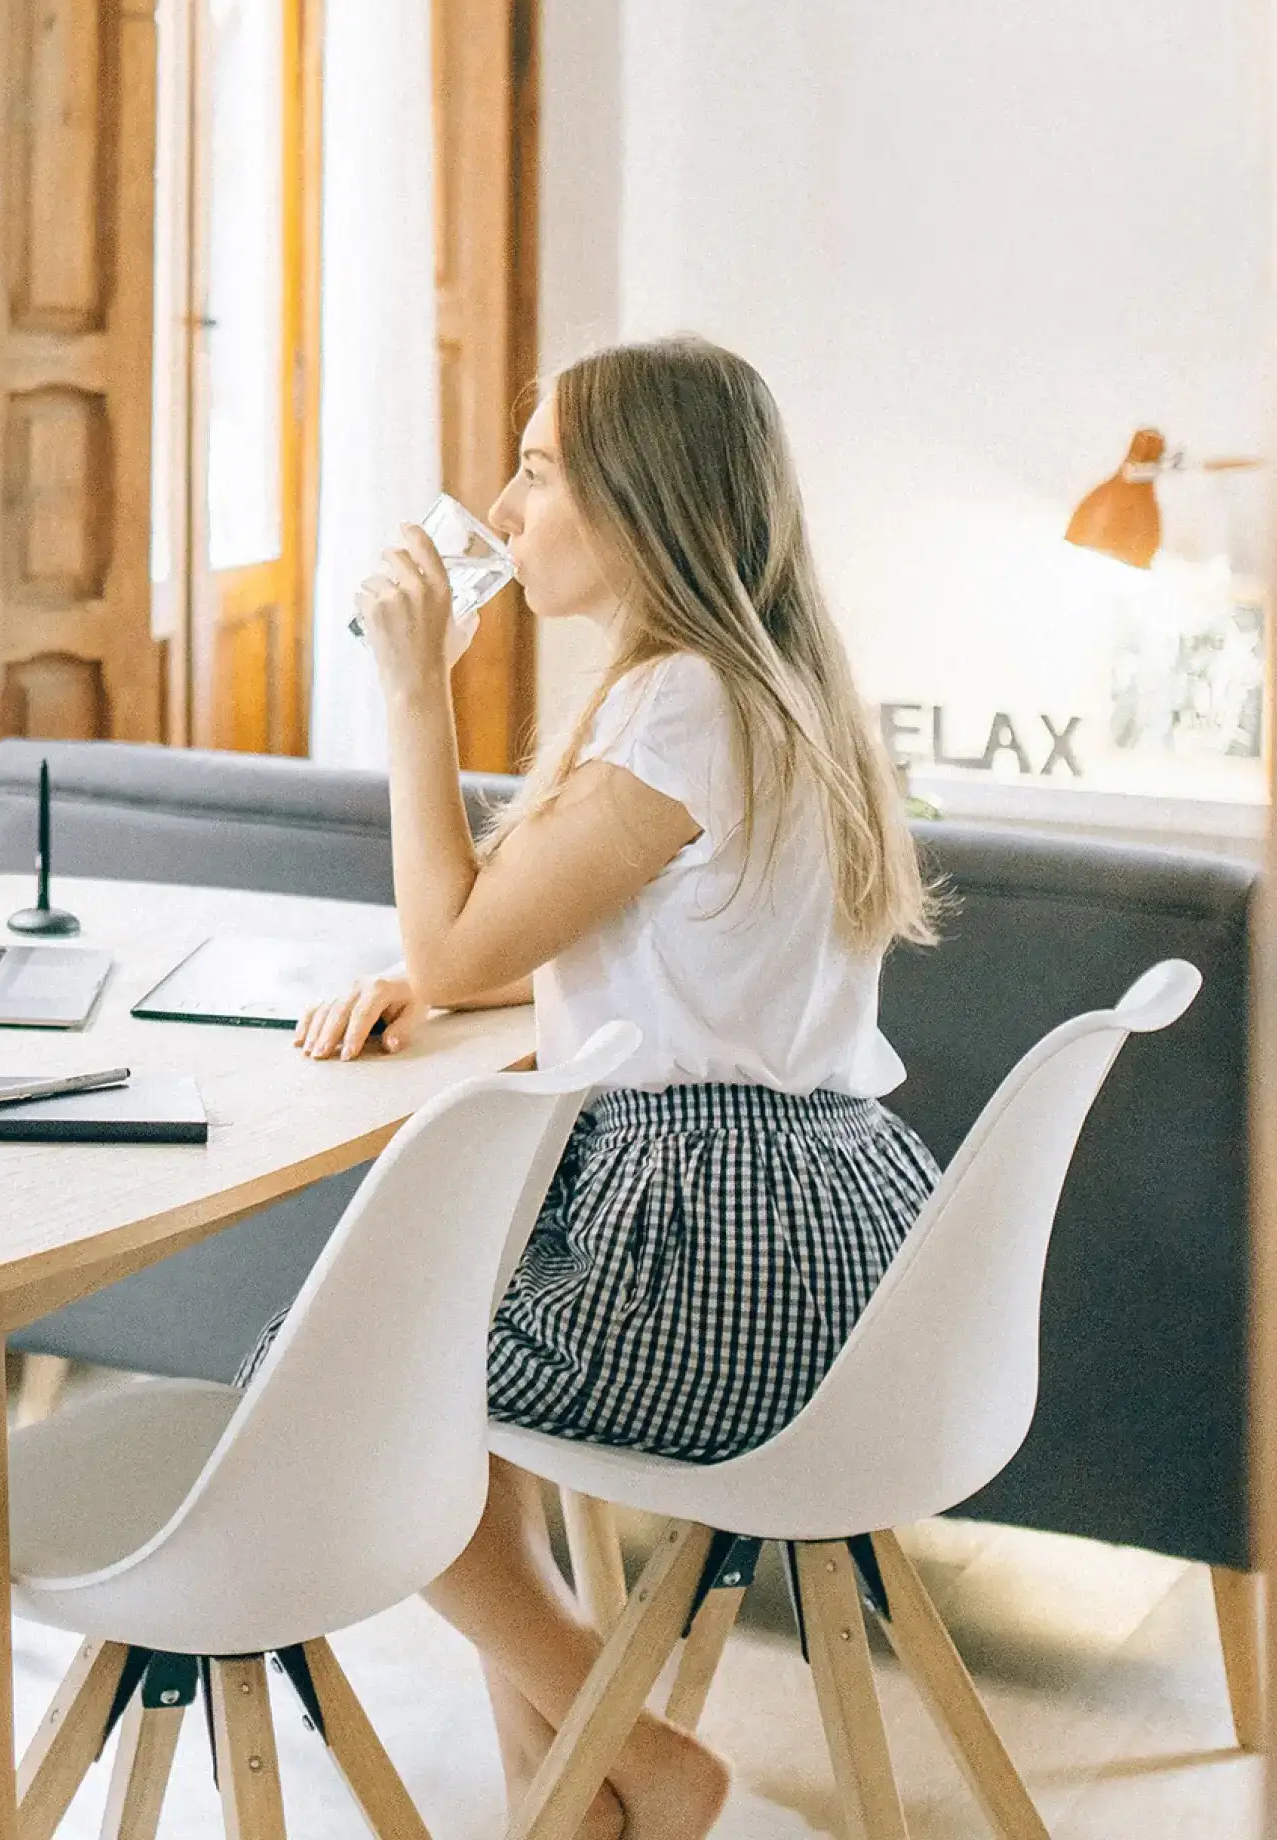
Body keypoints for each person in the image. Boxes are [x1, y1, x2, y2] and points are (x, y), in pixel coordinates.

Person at [294, 335, 941, 1840]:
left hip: (717, 1246)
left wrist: (412, 697)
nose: (504, 510)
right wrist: (484, 969)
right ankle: (573, 1799)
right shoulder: (766, 692)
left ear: (642, 506)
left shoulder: (679, 705)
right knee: (442, 1361)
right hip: (830, 1231)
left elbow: (450, 940)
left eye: (536, 471)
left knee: (334, 1384)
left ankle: (638, 1759)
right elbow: (652, 937)